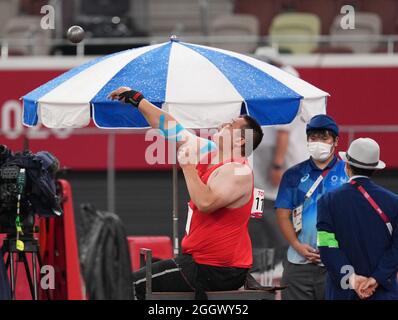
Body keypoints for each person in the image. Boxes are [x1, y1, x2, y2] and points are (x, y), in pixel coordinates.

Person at [107, 86, 264, 299]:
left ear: (240, 140)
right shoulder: (210, 152)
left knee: (126, 287)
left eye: (230, 125)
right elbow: (171, 127)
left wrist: (189, 167)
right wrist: (137, 100)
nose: (222, 124)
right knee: (129, 285)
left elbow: (206, 203)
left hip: (216, 269)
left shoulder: (239, 171)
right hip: (200, 261)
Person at [274, 114, 348, 300]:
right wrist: (297, 245)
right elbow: (283, 215)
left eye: (324, 138)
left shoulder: (348, 172)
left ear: (335, 141)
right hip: (297, 263)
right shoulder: (293, 175)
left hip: (337, 264)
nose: (318, 142)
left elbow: (356, 217)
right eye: (313, 138)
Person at [317, 138, 398, 300]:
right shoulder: (394, 202)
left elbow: (326, 244)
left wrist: (352, 279)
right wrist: (376, 279)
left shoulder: (327, 200)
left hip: (342, 292)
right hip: (383, 292)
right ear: (374, 169)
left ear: (347, 167)